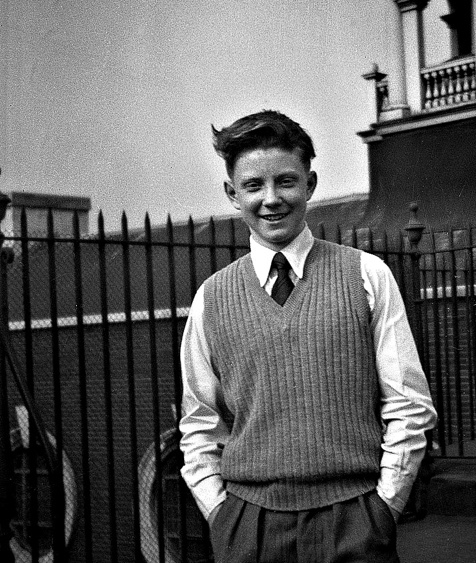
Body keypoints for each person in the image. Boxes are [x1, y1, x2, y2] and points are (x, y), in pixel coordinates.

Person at [179, 110, 437, 563]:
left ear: (310, 184)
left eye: (286, 181)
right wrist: (223, 516)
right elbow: (200, 423)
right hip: (250, 527)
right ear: (232, 194)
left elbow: (409, 404)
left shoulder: (366, 275)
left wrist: (383, 508)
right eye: (253, 185)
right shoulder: (211, 298)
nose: (271, 199)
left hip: (354, 518)